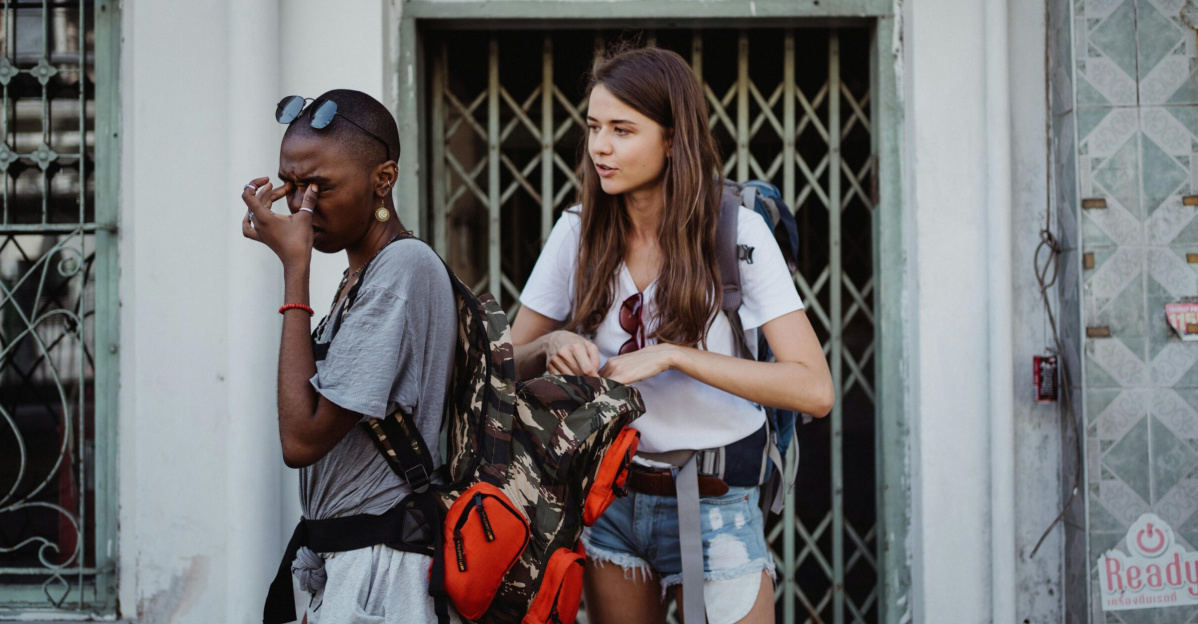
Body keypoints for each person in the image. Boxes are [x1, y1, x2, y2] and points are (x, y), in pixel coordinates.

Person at [511, 47, 834, 624]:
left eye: (622, 129)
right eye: (593, 128)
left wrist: (677, 356)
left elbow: (814, 388)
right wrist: (551, 345)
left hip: (718, 503)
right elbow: (508, 365)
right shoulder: (577, 233)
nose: (599, 147)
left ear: (672, 139)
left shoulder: (737, 231)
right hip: (610, 500)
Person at [241, 89, 461, 624]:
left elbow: (302, 438)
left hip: (382, 569)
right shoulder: (361, 275)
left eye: (320, 188)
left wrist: (295, 270)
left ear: (383, 180)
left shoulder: (401, 270)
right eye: (290, 186)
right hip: (347, 559)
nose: (300, 206)